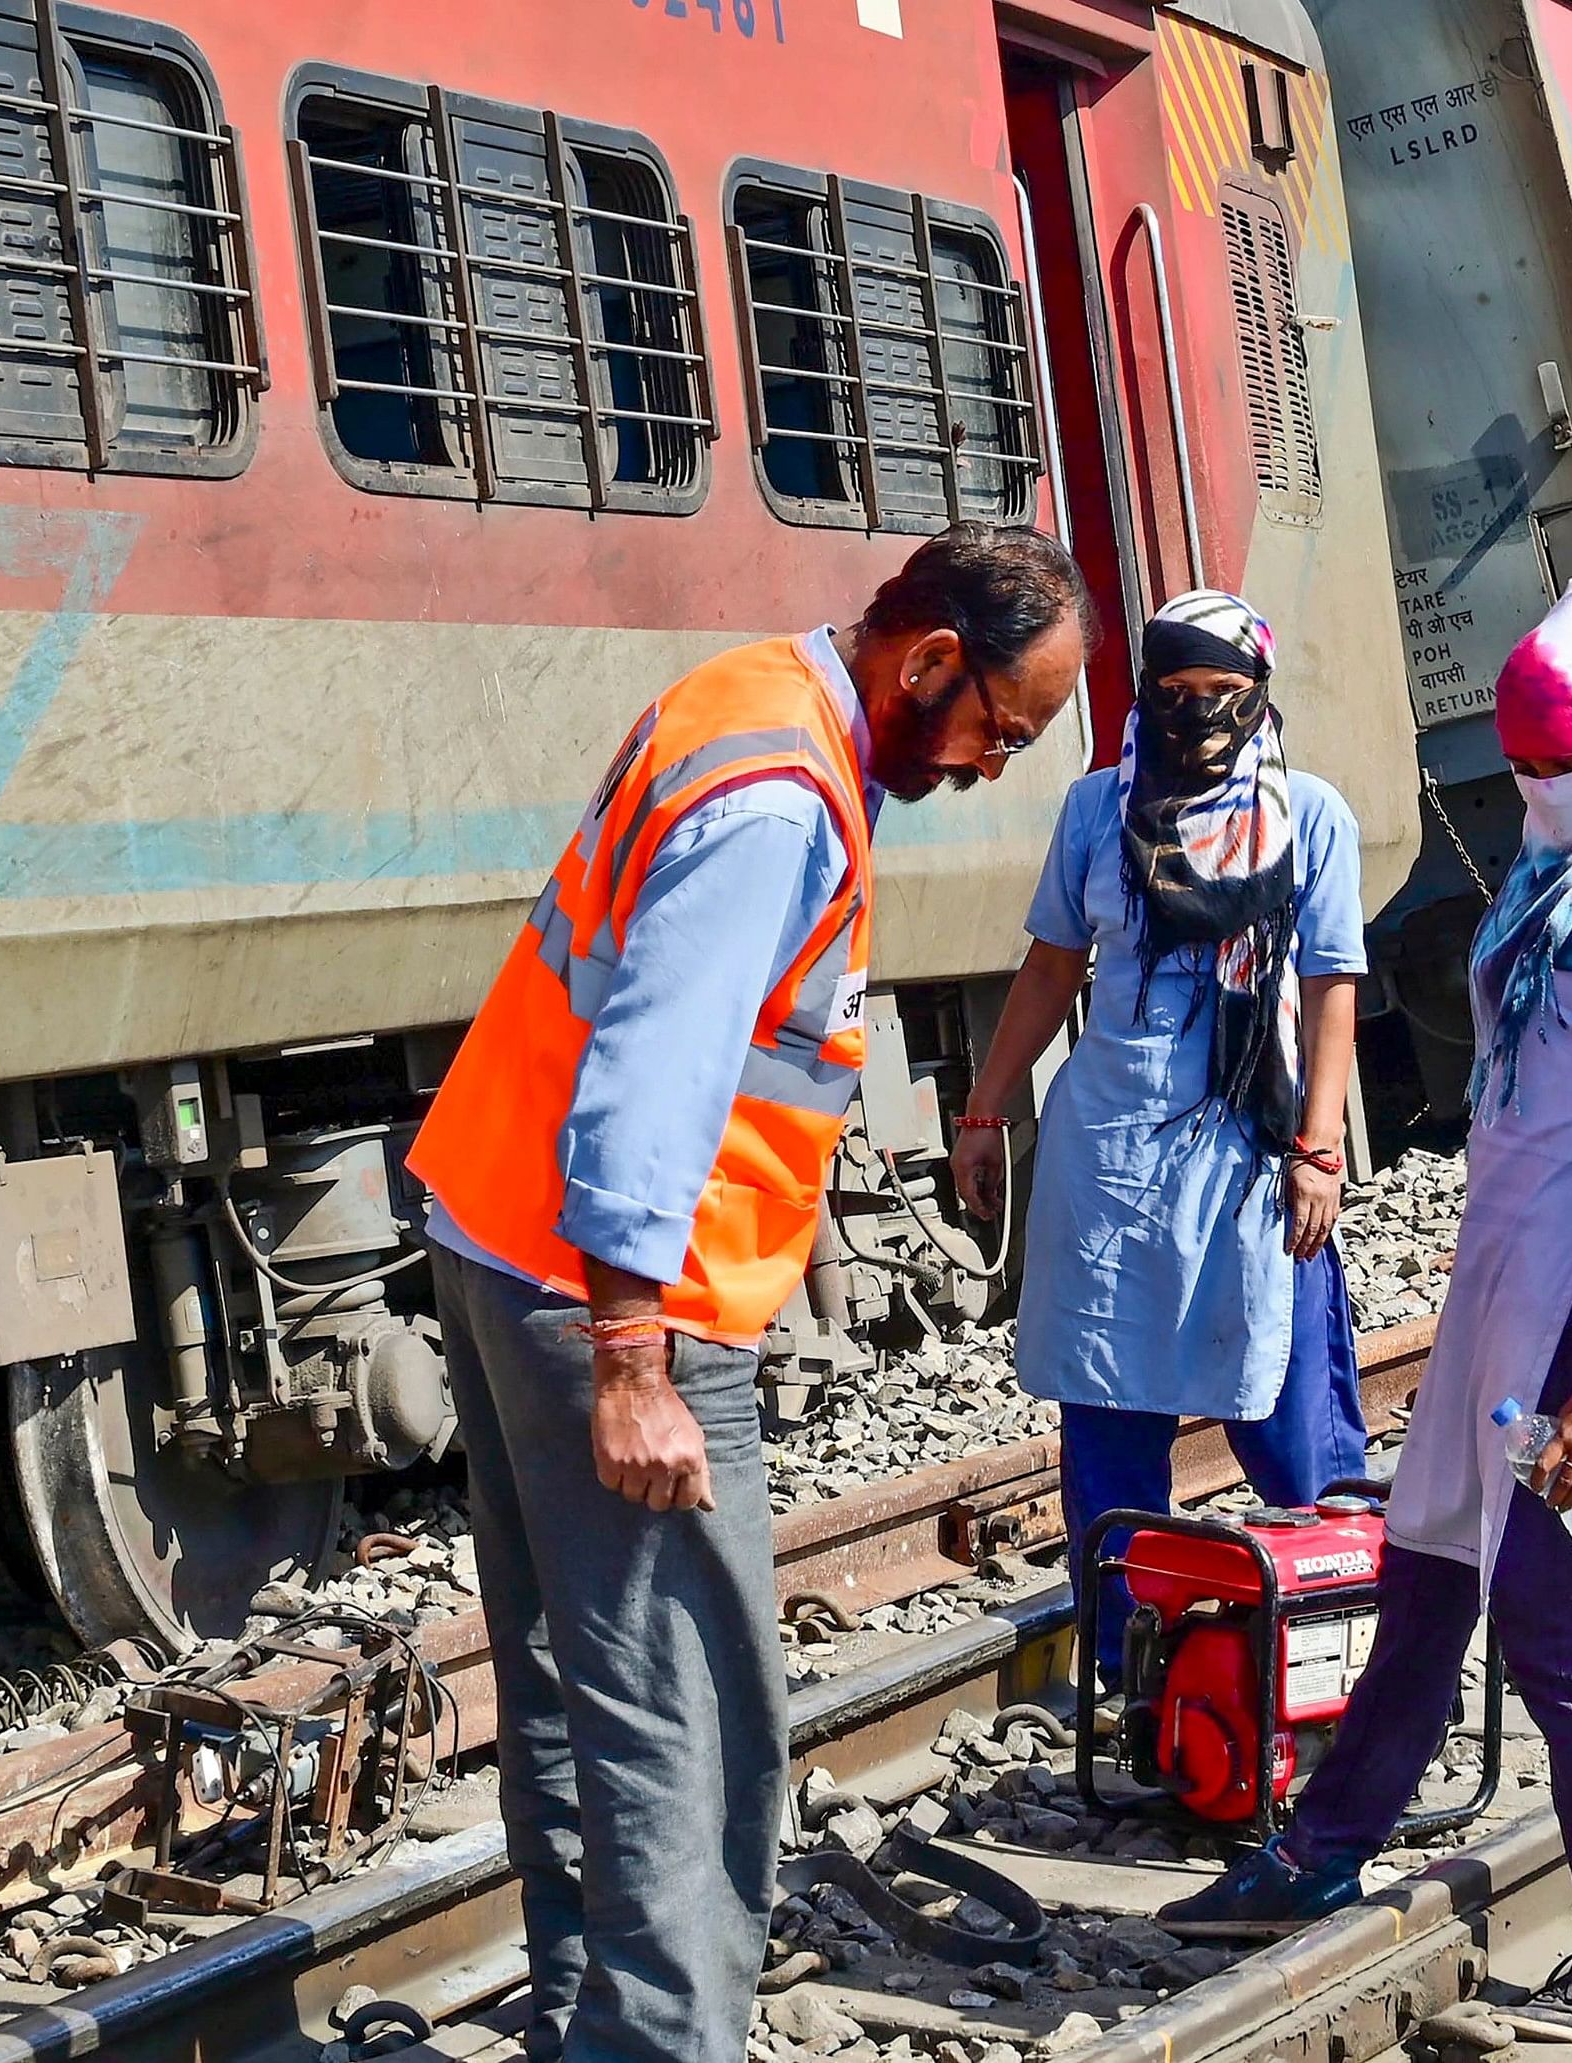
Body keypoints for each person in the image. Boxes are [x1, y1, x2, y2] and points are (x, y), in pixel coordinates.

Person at [405, 525, 1091, 2063]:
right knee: (693, 1717)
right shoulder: (782, 799)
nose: (991, 764)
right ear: (928, 661)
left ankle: (595, 2020)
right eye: (1001, 724)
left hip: (503, 1235)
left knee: (582, 1682)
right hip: (618, 1292)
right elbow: (655, 1061)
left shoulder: (746, 691)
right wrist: (634, 1352)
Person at [1156, 580, 1572, 2049]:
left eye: (1563, 764)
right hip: (1505, 1280)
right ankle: (1324, 1847)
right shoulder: (1571, 855)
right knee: (1424, 1568)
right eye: (1524, 764)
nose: (1539, 787)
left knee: (1551, 1621)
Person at [950, 590, 1371, 1682]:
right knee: (1104, 1408)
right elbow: (1050, 966)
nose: (1195, 718)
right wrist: (987, 1105)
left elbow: (1328, 985)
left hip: (1254, 1148)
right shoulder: (1097, 811)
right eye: (1173, 697)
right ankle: (1129, 1669)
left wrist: (1319, 1146)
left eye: (1219, 697)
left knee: (1283, 1401)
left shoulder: (1310, 815)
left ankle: (1341, 1635)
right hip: (1112, 1150)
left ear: (1258, 694)